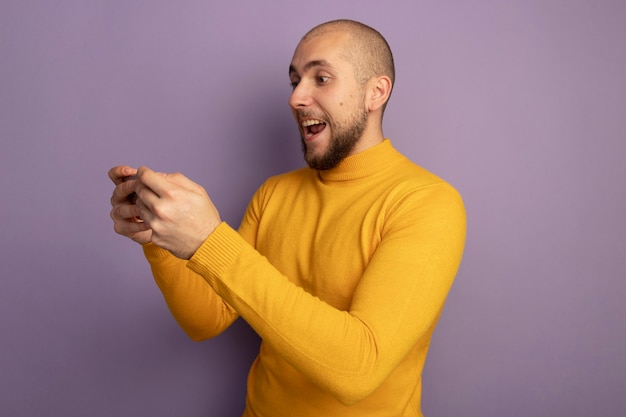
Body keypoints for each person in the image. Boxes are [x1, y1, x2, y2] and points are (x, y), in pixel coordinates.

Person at [109, 19, 466, 417]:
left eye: (322, 78)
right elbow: (206, 319)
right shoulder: (274, 193)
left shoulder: (427, 203)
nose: (297, 97)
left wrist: (211, 242)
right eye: (295, 81)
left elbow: (357, 368)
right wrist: (159, 238)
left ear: (375, 92)